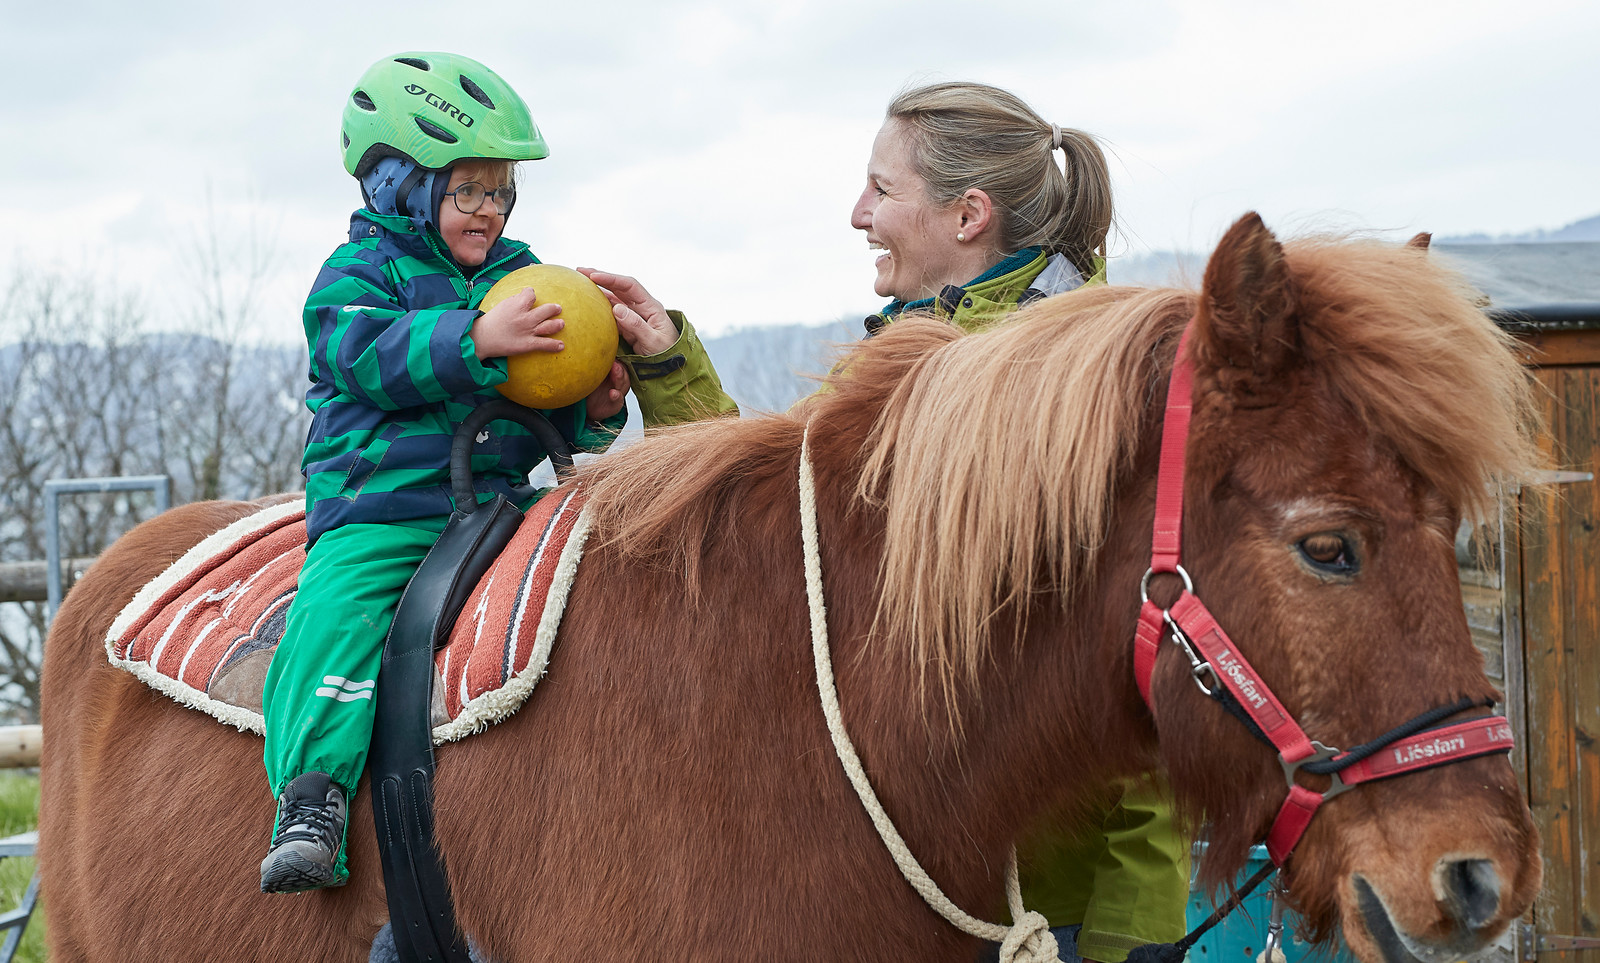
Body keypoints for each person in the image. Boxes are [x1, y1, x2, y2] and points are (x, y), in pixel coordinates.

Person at [259, 50, 734, 894]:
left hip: (505, 499)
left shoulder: (525, 274)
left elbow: (547, 402)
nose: (489, 209)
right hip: (386, 508)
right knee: (337, 611)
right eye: (466, 189)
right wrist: (473, 338)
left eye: (501, 190)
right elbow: (364, 355)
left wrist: (594, 406)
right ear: (400, 184)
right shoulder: (357, 275)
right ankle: (312, 794)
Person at [849, 81, 1190, 963]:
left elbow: (1148, 675)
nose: (859, 215)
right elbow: (809, 557)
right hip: (908, 888)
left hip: (1050, 919)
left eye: (882, 191)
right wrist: (670, 367)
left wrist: (1133, 934)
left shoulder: (1088, 391)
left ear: (968, 215)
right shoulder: (900, 357)